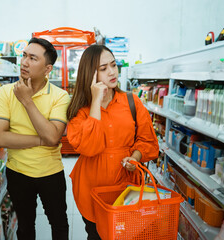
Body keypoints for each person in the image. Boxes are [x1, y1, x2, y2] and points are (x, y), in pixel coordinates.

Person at [66, 45, 159, 239]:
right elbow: (90, 148)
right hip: (92, 190)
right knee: (96, 234)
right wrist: (95, 103)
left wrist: (135, 157)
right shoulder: (79, 109)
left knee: (127, 234)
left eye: (113, 65)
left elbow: (147, 140)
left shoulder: (132, 102)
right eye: (103, 68)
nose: (112, 72)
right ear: (89, 75)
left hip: (126, 186)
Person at [0, 38, 70, 240]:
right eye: (24, 55)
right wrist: (41, 140)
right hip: (18, 173)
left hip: (51, 173)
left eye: (33, 58)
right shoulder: (4, 93)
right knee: (25, 227)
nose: (24, 62)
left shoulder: (60, 96)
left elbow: (53, 135)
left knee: (59, 224)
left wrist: (26, 100)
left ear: (47, 69)